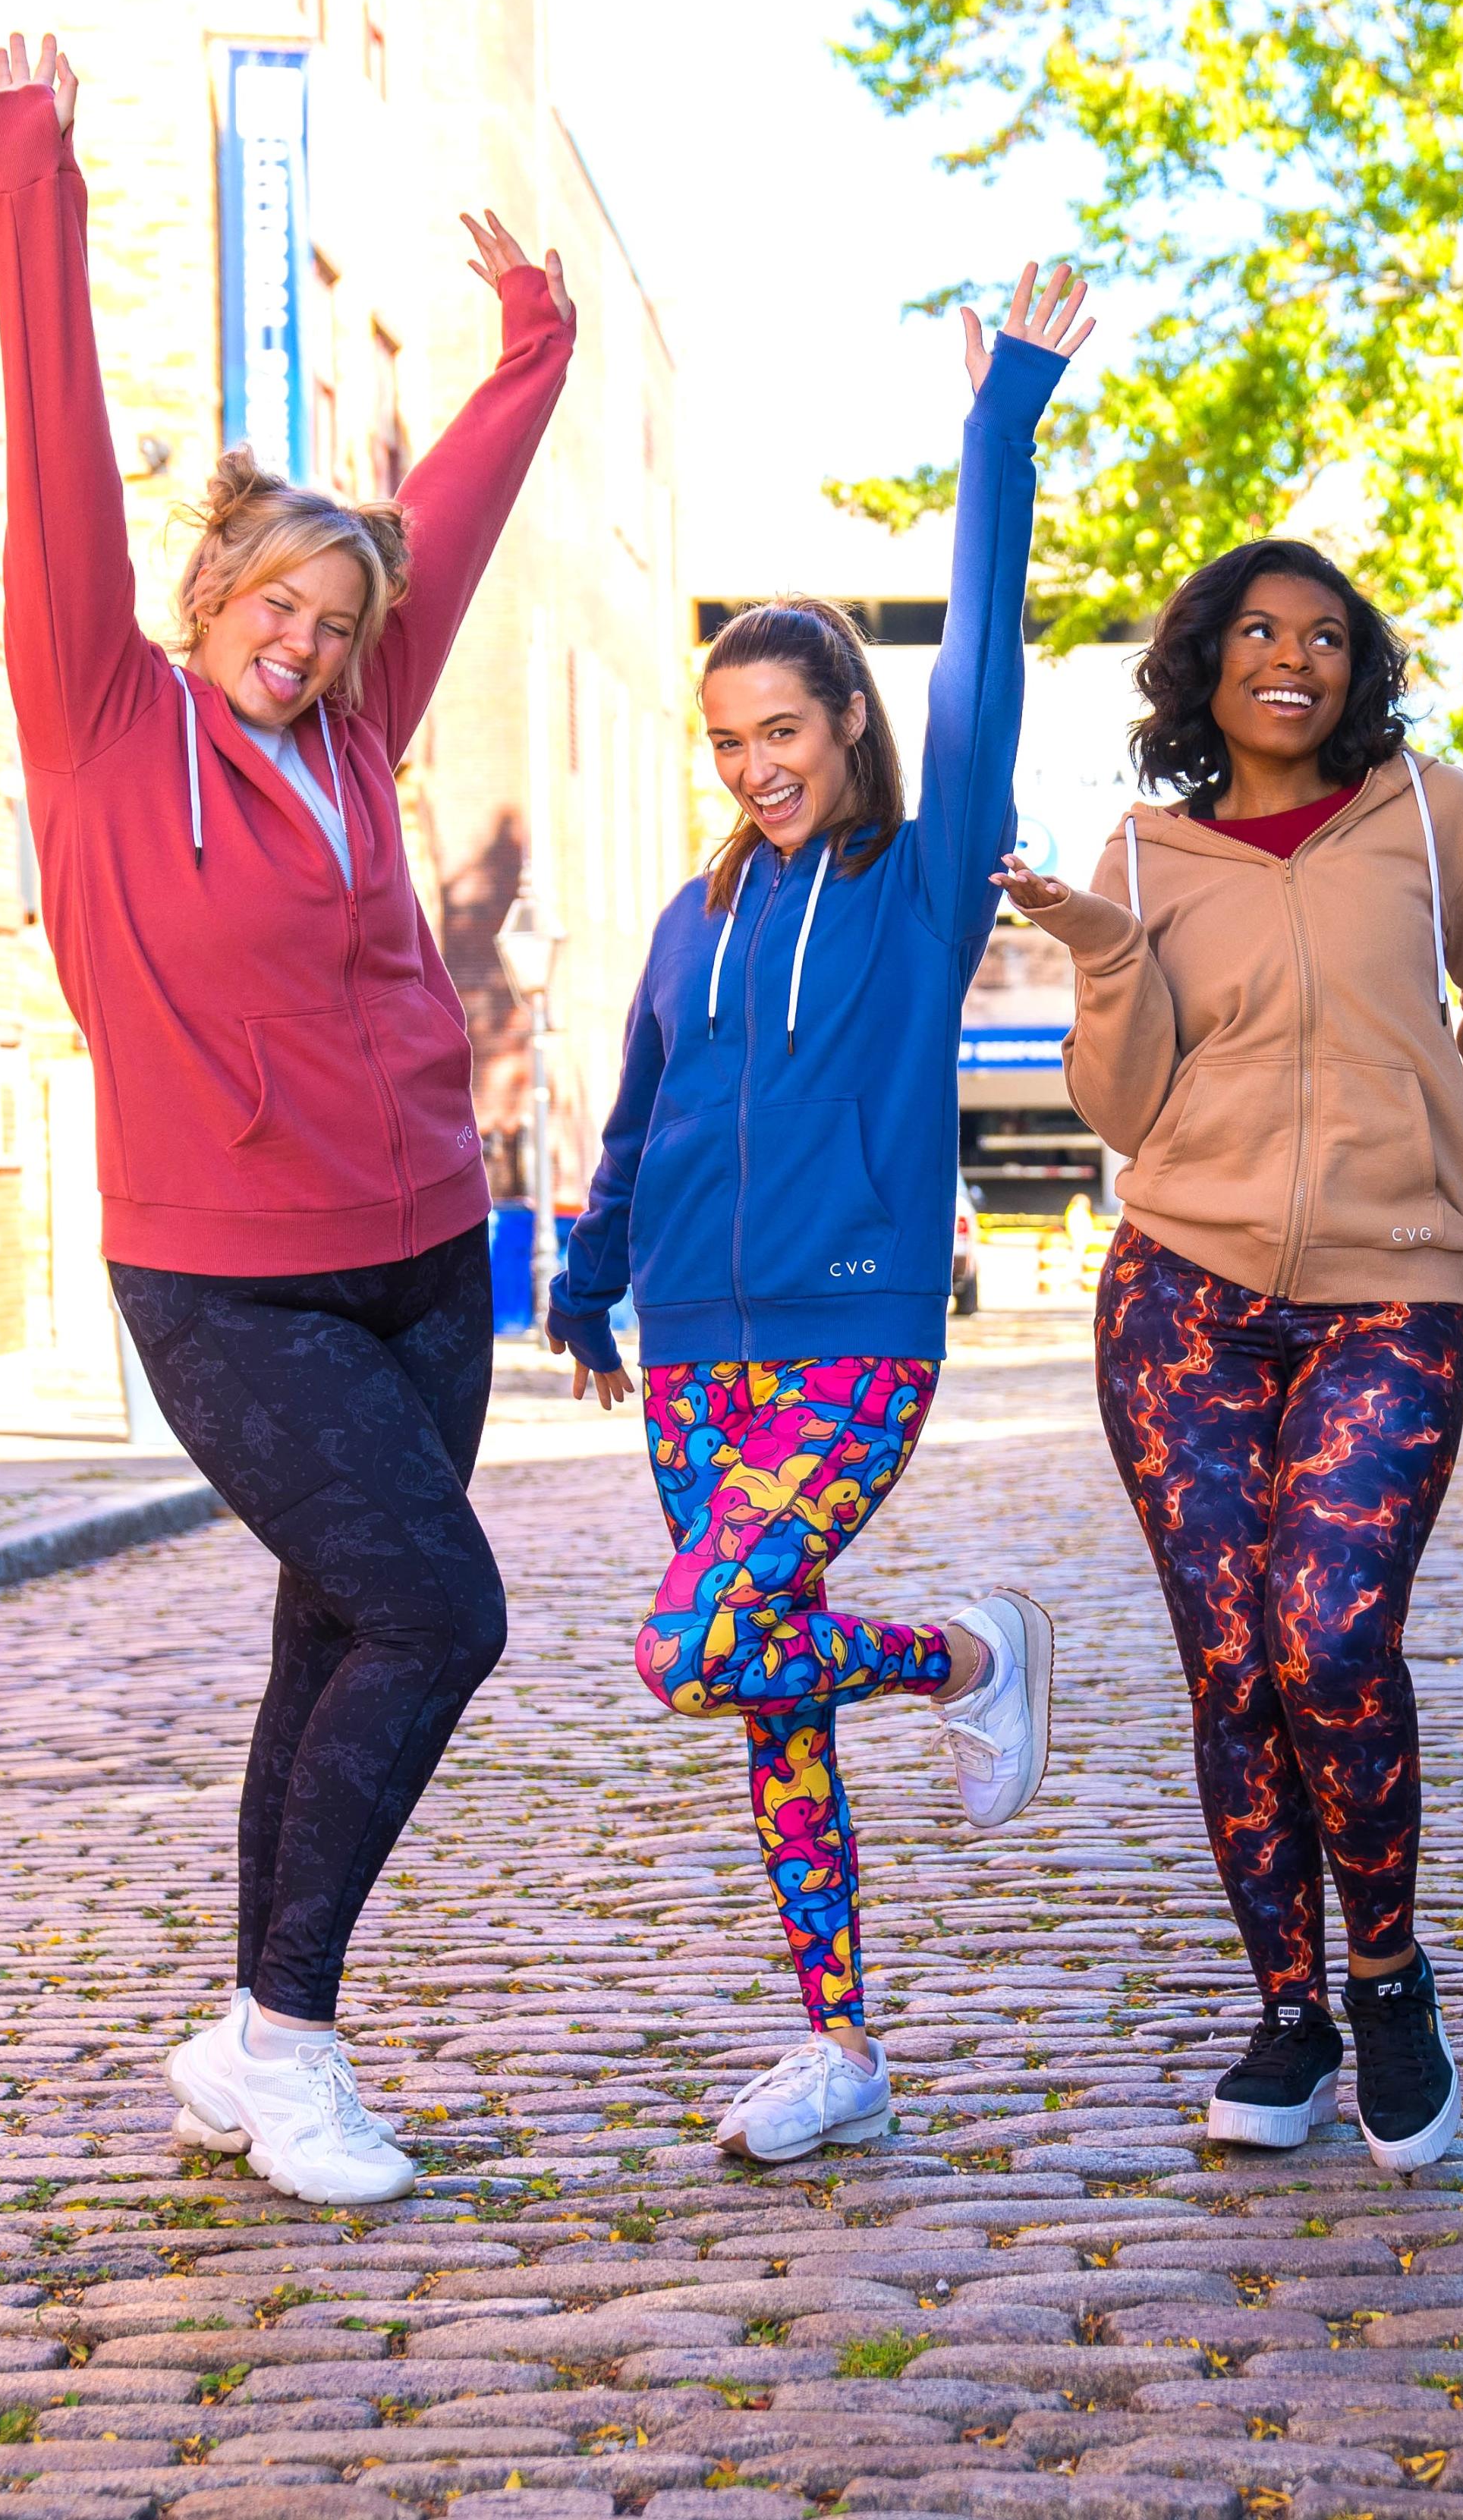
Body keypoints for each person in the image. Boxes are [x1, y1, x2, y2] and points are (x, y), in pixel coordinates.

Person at [0, 34, 574, 2206]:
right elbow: (54, 456)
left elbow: (460, 526)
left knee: (333, 1630)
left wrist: (534, 351)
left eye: (336, 626)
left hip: (421, 1246)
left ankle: (254, 2036)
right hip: (222, 1275)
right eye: (275, 608)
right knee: (441, 1612)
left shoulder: (354, 730)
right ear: (207, 598)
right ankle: (291, 2033)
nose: (306, 644)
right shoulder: (101, 708)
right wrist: (26, 166)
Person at [546, 265, 1091, 2166]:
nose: (757, 762)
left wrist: (998, 424)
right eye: (728, 738)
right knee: (773, 1706)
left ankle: (964, 1653)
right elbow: (648, 1105)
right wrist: (594, 1274)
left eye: (785, 726)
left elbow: (987, 668)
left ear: (847, 720)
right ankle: (840, 2043)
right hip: (694, 1354)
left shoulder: (921, 879)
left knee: (692, 1642)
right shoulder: (696, 917)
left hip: (856, 1338)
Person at [995, 537, 1463, 2171]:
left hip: (1391, 1297)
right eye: (1255, 631)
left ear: (1355, 667)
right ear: (1206, 667)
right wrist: (1106, 952)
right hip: (1182, 1293)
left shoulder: (1435, 820)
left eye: (1322, 634)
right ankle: (1289, 2004)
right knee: (1231, 1662)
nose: (1289, 658)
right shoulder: (1149, 853)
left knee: (1328, 1635)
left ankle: (1387, 1975)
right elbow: (1118, 1104)